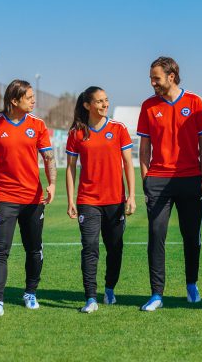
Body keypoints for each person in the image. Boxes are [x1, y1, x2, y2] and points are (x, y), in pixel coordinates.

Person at [137, 56, 202, 311]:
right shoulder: (148, 106)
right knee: (156, 235)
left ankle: (191, 284)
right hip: (158, 180)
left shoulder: (195, 102)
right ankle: (157, 293)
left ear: (171, 76)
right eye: (151, 78)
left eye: (155, 78)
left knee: (191, 236)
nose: (152, 83)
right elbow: (144, 147)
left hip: (191, 179)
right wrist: (146, 178)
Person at [0, 79, 57, 319]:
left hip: (33, 199)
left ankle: (30, 293)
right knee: (0, 251)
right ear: (14, 100)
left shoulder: (38, 125)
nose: (34, 100)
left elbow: (49, 157)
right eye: (29, 97)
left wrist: (52, 183)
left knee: (34, 248)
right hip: (4, 198)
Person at [66, 86, 136, 313]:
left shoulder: (118, 129)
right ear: (87, 105)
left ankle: (109, 289)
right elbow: (70, 169)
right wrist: (70, 200)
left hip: (115, 200)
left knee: (115, 248)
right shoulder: (76, 133)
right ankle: (90, 298)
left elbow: (128, 164)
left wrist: (131, 196)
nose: (105, 104)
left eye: (106, 100)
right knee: (89, 248)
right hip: (88, 200)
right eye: (99, 101)